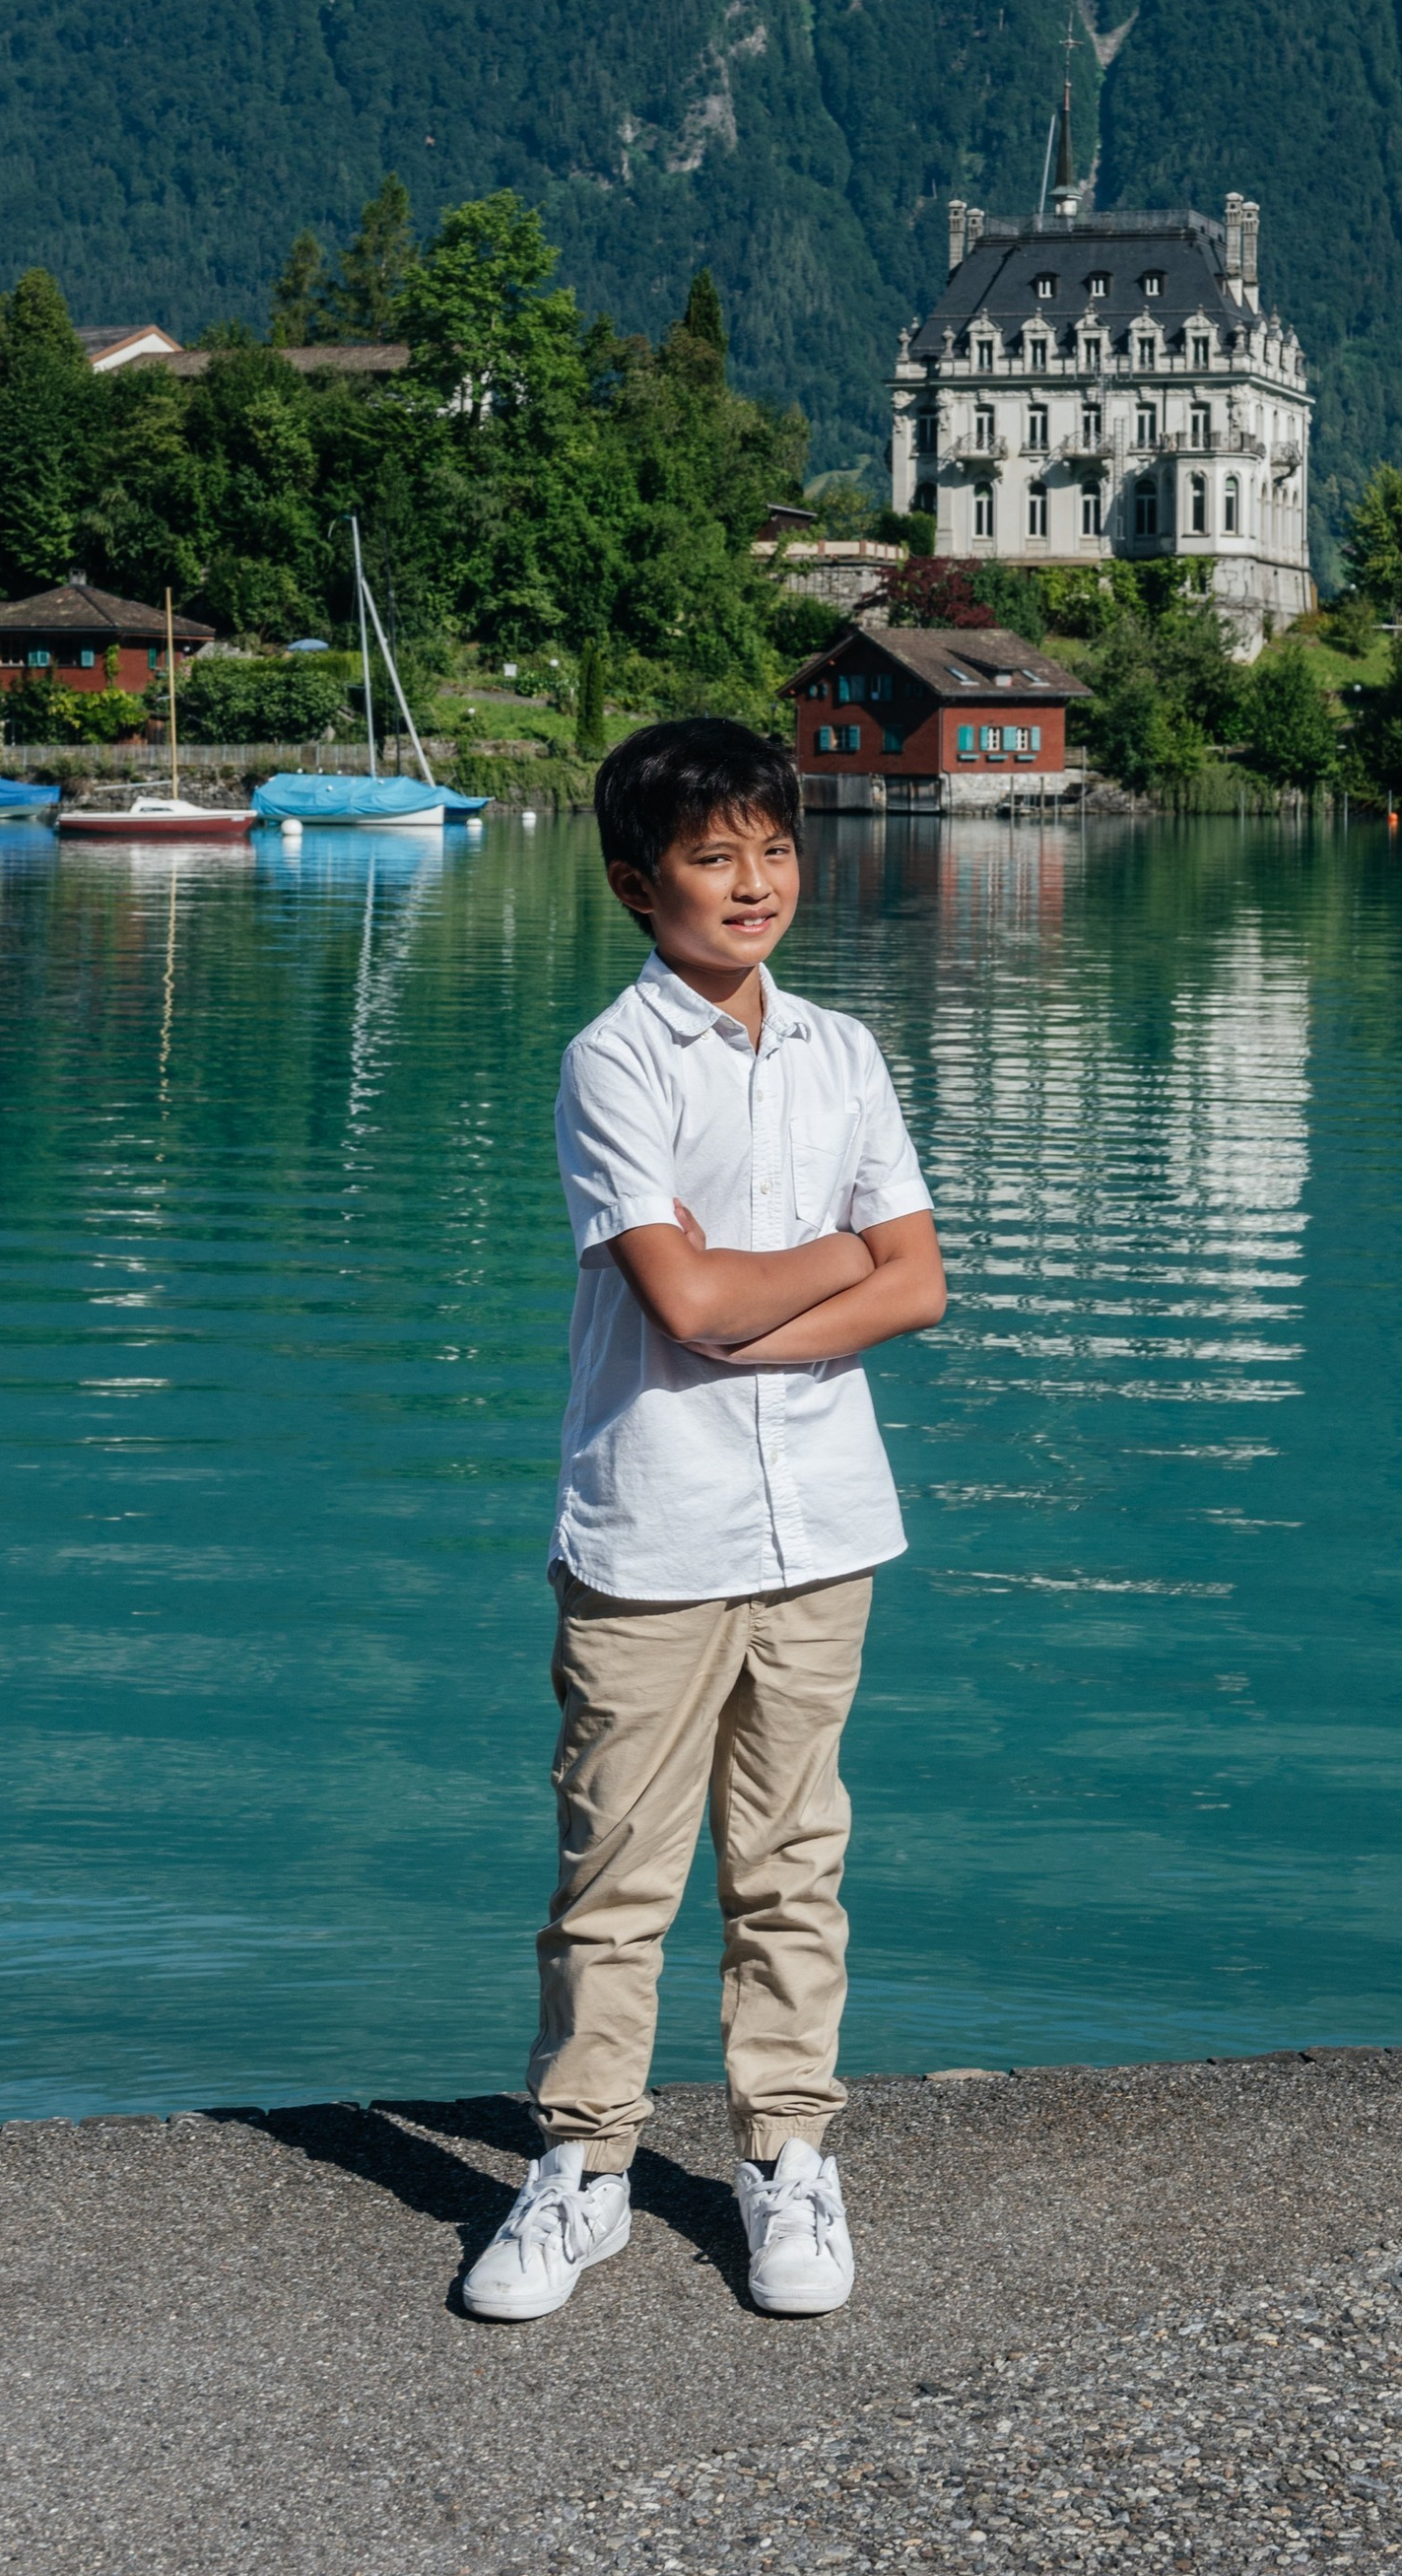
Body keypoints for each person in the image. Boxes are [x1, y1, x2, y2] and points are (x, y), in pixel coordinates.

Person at [462, 716, 947, 2325]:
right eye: (713, 857)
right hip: (651, 1531)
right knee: (616, 1871)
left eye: (775, 850)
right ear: (636, 883)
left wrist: (763, 1300)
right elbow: (680, 1306)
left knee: (794, 1863)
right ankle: (583, 2170)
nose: (755, 885)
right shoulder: (612, 1059)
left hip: (823, 1525)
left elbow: (924, 1283)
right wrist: (833, 1260)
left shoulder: (844, 1053)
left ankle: (785, 2156)